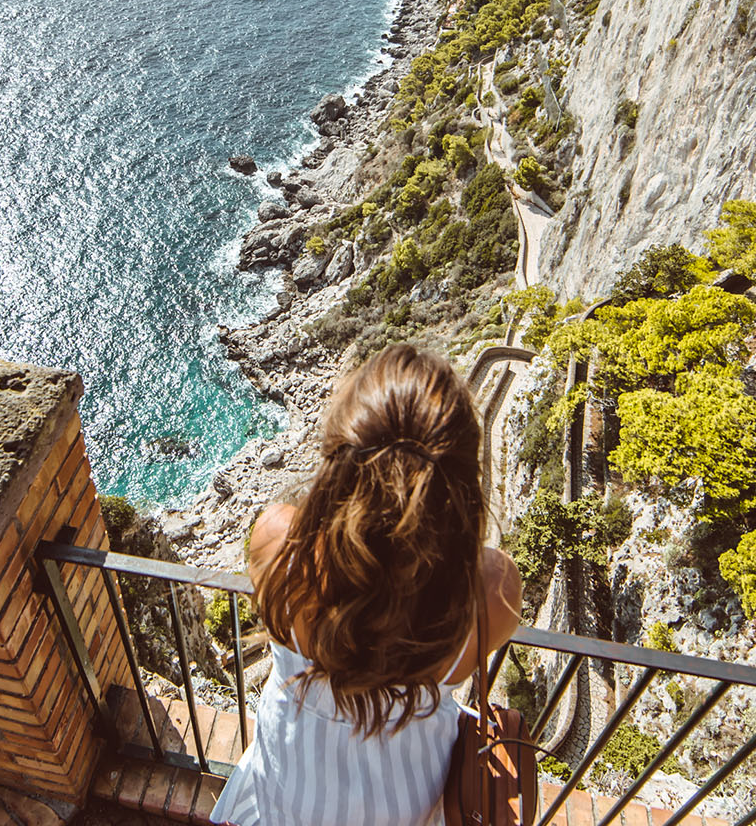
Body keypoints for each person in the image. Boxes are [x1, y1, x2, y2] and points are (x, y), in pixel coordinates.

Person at [210, 344, 523, 826]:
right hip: (404, 800)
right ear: (461, 485)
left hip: (289, 795)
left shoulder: (280, 548)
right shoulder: (491, 593)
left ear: (338, 459)